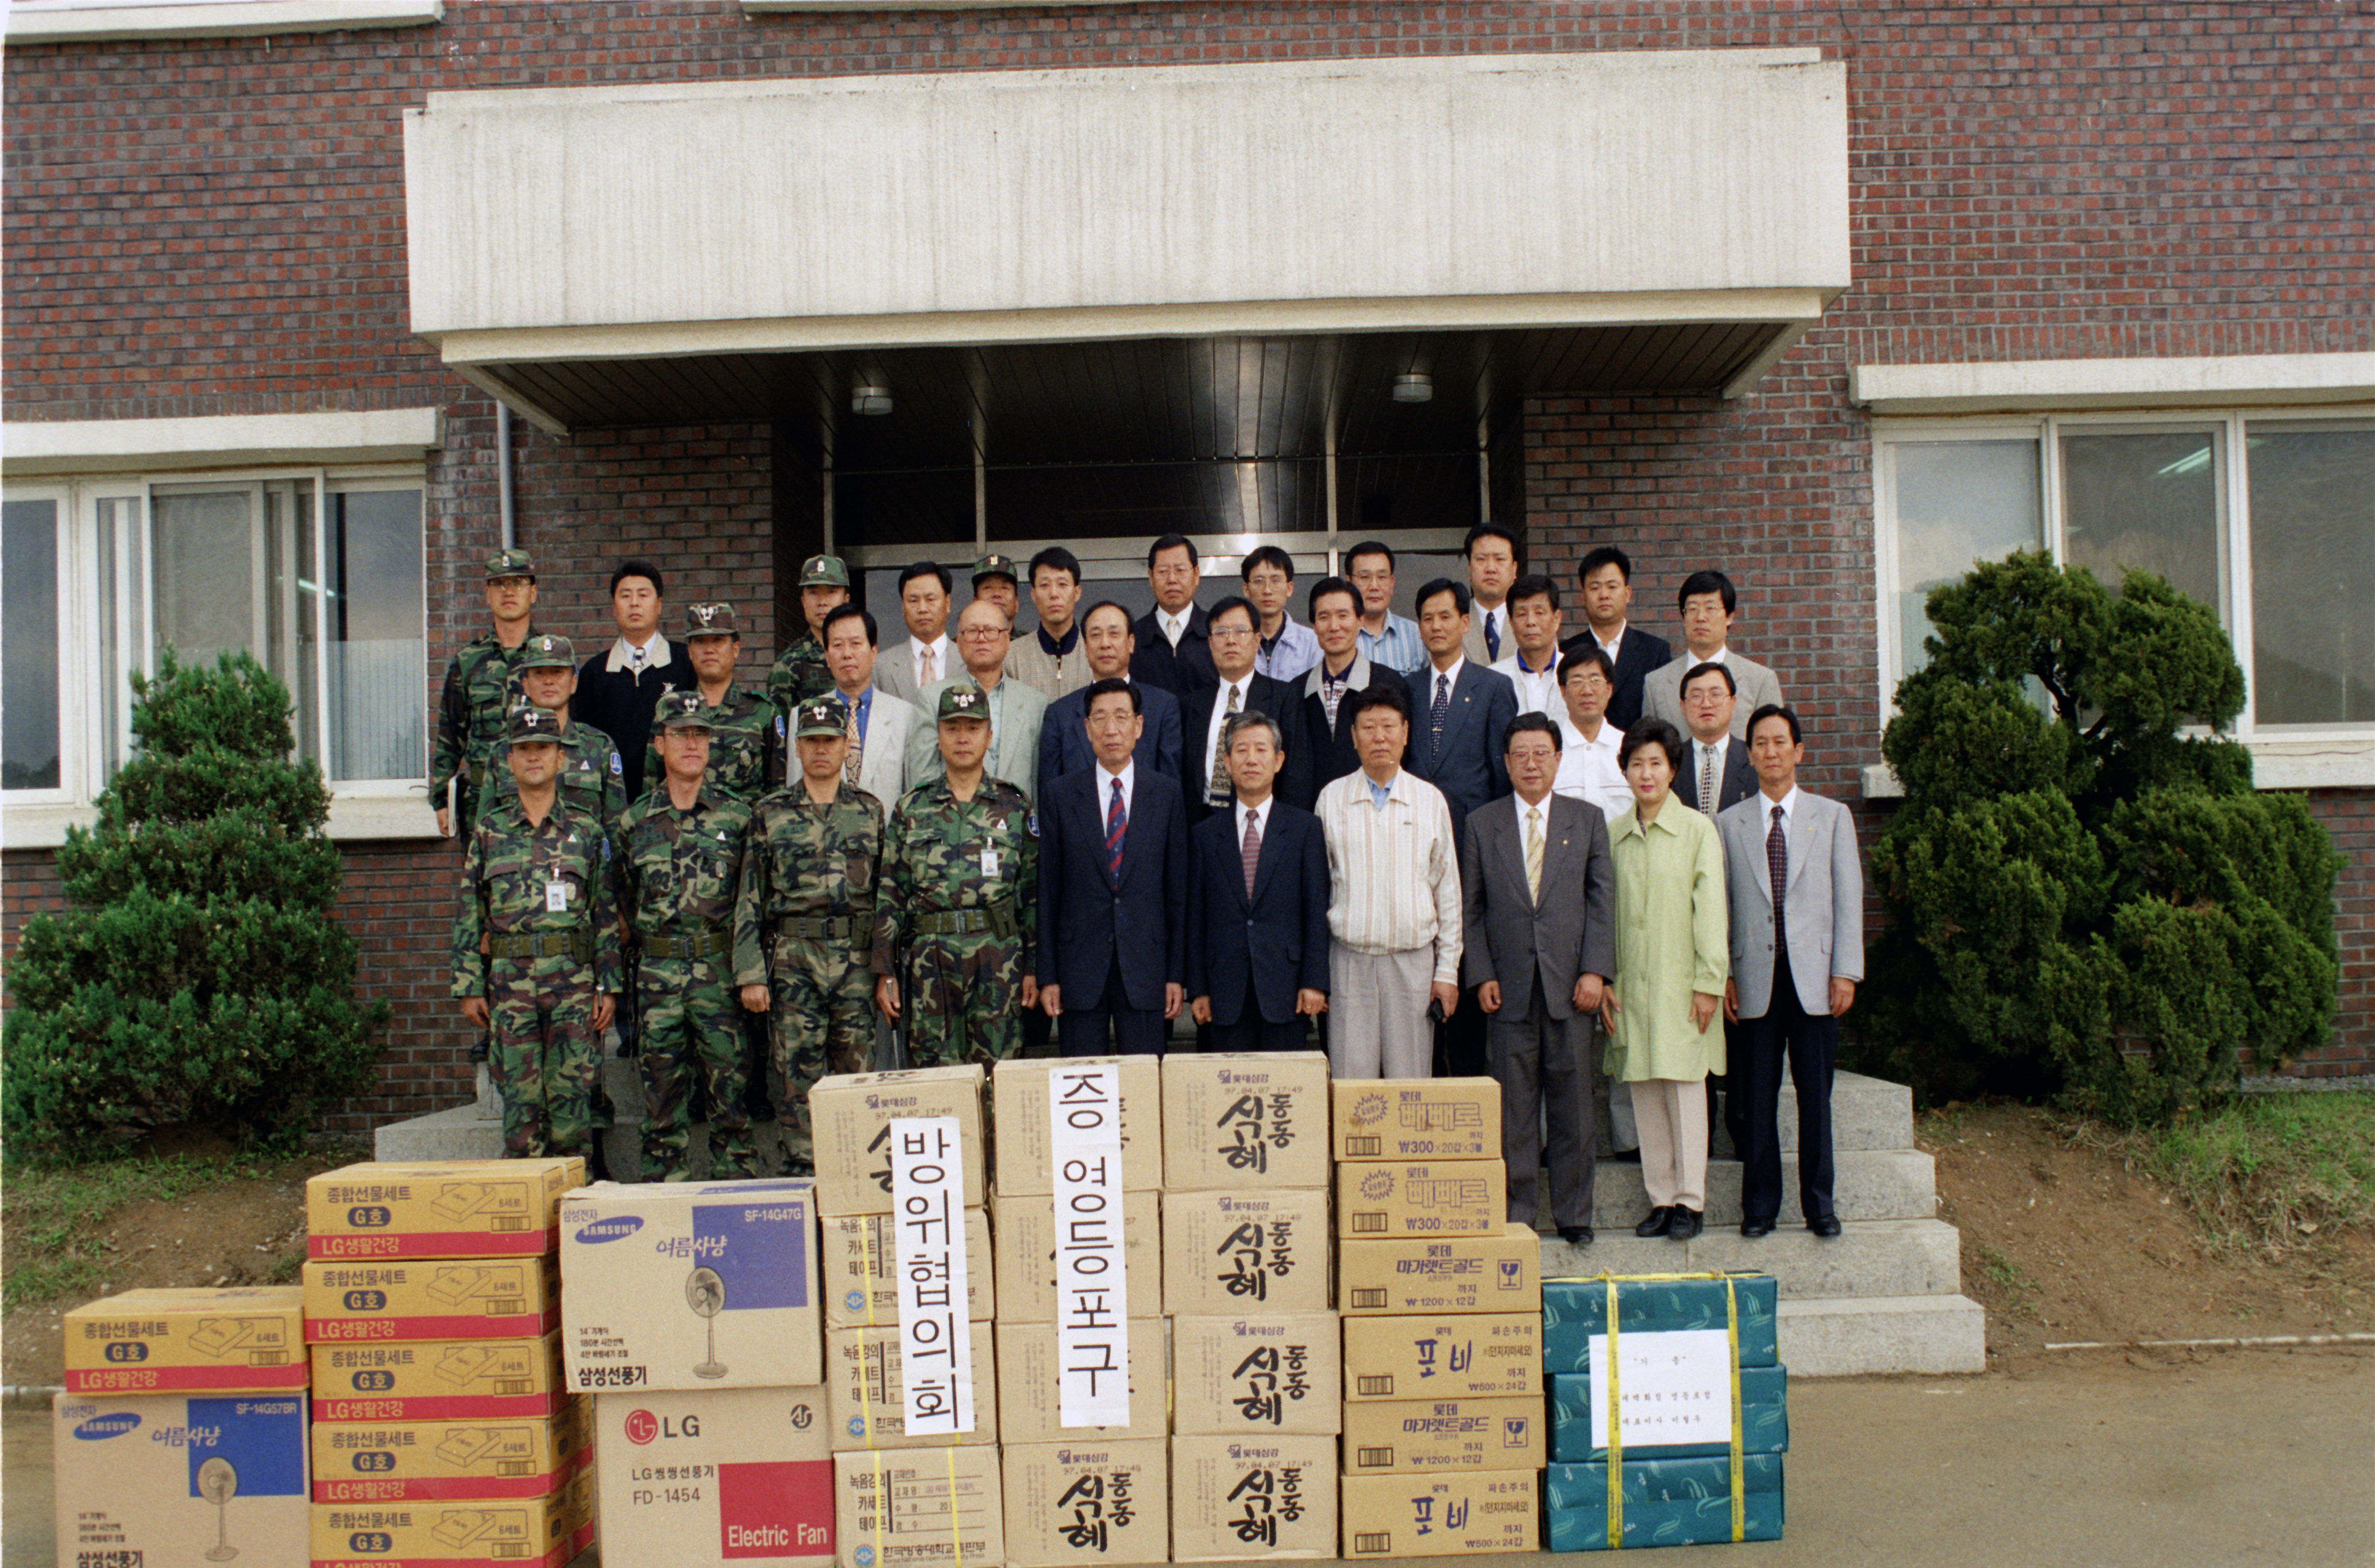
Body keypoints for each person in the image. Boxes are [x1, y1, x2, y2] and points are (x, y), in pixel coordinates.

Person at [1462, 713, 1615, 1246]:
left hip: (1571, 987)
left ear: (1557, 759)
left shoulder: (1587, 820)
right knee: (1513, 1111)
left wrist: (1596, 970)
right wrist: (1479, 973)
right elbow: (1470, 909)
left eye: (1540, 753)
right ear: (1505, 763)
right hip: (1507, 989)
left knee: (1573, 1105)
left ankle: (1575, 1215)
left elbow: (1601, 903)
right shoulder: (1483, 823)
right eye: (1520, 754)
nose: (1530, 763)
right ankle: (1518, 1211)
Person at [451, 705, 622, 1161]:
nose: (534, 758)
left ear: (560, 758)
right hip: (510, 988)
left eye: (543, 748)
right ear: (509, 760)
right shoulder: (489, 832)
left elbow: (603, 914)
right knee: (521, 1114)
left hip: (572, 985)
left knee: (571, 1113)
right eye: (524, 749)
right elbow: (470, 912)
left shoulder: (584, 830)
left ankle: (575, 1219)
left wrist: (609, 984)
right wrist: (469, 985)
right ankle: (526, 1225)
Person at [1719, 706, 1862, 1240]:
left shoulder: (1832, 816)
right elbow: (1724, 908)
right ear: (1750, 754)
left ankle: (1818, 1206)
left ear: (1798, 751)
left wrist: (1845, 970)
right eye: (1760, 743)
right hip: (1754, 978)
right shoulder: (1728, 823)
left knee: (1814, 1098)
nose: (1771, 752)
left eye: (1780, 742)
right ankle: (1759, 1208)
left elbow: (1848, 897)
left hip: (1815, 980)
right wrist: (1725, 975)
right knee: (1755, 1099)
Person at [737, 696, 885, 1175]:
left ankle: (857, 1174)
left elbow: (887, 895)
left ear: (847, 747)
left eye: (830, 740)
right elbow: (751, 896)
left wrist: (886, 969)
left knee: (855, 1072)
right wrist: (751, 974)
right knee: (796, 1074)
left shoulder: (869, 811)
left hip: (856, 959)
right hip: (793, 957)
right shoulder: (770, 813)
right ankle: (802, 1172)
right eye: (811, 741)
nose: (821, 750)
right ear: (797, 748)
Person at [616, 693, 758, 1181]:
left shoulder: (737, 819)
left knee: (730, 1097)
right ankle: (665, 1201)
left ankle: (736, 1195)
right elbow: (622, 902)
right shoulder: (635, 823)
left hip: (719, 973)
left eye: (700, 734)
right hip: (657, 977)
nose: (692, 743)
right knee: (661, 1102)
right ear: (659, 744)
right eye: (680, 733)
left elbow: (749, 904)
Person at [1601, 719, 1728, 1243]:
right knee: (1645, 1092)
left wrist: (1708, 982)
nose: (1645, 773)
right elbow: (1602, 913)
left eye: (1655, 763)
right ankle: (1660, 1197)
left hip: (1682, 985)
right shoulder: (1614, 836)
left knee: (1683, 1088)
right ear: (1625, 771)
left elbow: (1711, 912)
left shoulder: (1697, 831)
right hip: (1632, 986)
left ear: (1673, 770)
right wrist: (1605, 978)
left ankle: (1690, 1200)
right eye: (1636, 764)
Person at [875, 682, 1040, 1067]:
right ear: (938, 737)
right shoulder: (912, 808)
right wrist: (885, 971)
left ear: (989, 736)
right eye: (952, 729)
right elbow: (890, 895)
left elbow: (1031, 895)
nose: (962, 738)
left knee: (1000, 1075)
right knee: (936, 1076)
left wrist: (1034, 969)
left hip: (999, 961)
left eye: (972, 728)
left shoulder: (1014, 806)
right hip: (931, 961)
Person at [1038, 678, 1191, 1056]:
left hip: (1146, 967)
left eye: (1121, 717)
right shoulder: (1059, 794)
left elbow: (1177, 892)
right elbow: (1047, 891)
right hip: (1079, 970)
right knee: (1082, 1087)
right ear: (1086, 728)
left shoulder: (1166, 794)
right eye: (1100, 718)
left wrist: (1176, 974)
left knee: (1142, 1087)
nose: (1111, 729)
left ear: (1139, 726)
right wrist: (1049, 976)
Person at [1317, 684, 1461, 1079]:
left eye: (1388, 726)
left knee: (1410, 1083)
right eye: (1368, 727)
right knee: (1350, 1082)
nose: (1379, 737)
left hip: (1412, 962)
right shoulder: (1331, 799)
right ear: (1353, 736)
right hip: (1350, 960)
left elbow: (1447, 893)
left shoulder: (1429, 800)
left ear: (1405, 733)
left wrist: (1446, 973)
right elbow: (1319, 889)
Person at [1187, 710, 1331, 1052]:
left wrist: (1314, 981)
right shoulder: (1205, 835)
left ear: (1279, 760)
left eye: (1261, 750)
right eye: (1241, 750)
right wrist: (1199, 989)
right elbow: (1196, 918)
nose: (1251, 759)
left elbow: (1315, 909)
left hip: (1287, 988)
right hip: (1223, 992)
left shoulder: (1304, 829)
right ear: (1226, 761)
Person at [431, 548, 539, 838]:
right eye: (499, 584)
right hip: (483, 803)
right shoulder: (467, 662)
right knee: (483, 882)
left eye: (518, 583)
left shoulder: (551, 660)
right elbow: (450, 735)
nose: (508, 591)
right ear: (488, 594)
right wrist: (441, 798)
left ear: (533, 593)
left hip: (540, 798)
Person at [478, 635, 625, 839]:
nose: (548, 681)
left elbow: (616, 833)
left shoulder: (600, 748)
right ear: (526, 685)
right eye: (539, 673)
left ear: (574, 683)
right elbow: (485, 834)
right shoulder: (504, 751)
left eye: (557, 672)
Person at [1404, 579, 1518, 841]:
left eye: (1445, 617)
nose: (1436, 626)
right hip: (1414, 828)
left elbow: (1502, 772)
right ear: (1420, 628)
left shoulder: (1494, 687)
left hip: (1473, 829)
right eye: (1428, 619)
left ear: (1465, 623)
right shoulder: (1408, 688)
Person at [1036, 600, 1184, 797]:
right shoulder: (1059, 714)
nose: (1105, 644)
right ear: (1086, 646)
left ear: (1131, 643)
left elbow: (1171, 793)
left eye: (1114, 634)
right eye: (1096, 635)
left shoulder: (1163, 707)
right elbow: (1050, 795)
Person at [907, 598, 1049, 804]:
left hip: (1015, 826)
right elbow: (922, 777)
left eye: (991, 630)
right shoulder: (932, 698)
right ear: (959, 640)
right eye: (972, 631)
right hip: (951, 825)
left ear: (1007, 638)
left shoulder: (1035, 703)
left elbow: (1037, 783)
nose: (982, 639)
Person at [1181, 595, 1308, 821]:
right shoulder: (1192, 704)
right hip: (1202, 826)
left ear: (1257, 639)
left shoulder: (1285, 697)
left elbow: (1296, 776)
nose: (1231, 641)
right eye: (1221, 633)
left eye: (1241, 631)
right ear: (1210, 643)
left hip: (1263, 823)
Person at [1292, 576, 1410, 809]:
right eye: (1324, 617)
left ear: (1360, 621)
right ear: (1314, 626)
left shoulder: (1389, 684)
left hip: (1376, 813)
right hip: (1313, 819)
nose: (1334, 626)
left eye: (1343, 615)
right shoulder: (1296, 691)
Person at [643, 603, 778, 804]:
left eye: (718, 640)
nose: (709, 649)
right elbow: (652, 791)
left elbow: (778, 793)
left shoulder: (763, 712)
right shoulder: (670, 712)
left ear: (736, 649)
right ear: (690, 651)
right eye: (700, 641)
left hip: (745, 831)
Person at [573, 559, 675, 802]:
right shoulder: (594, 673)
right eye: (625, 596)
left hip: (672, 804)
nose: (635, 603)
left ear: (659, 604)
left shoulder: (684, 663)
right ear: (614, 607)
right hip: (612, 804)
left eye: (643, 594)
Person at [1642, 569, 1783, 739]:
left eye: (1710, 608)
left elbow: (1775, 746)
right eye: (1693, 609)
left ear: (1729, 617)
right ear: (1683, 618)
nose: (1701, 617)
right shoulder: (1656, 684)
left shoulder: (1761, 681)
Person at [822, 604, 919, 817]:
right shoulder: (803, 715)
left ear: (874, 652)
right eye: (837, 645)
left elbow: (914, 795)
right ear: (827, 657)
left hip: (886, 843)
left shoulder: (905, 716)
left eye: (856, 644)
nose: (847, 654)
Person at [1559, 546, 1670, 733]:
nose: (1604, 595)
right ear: (1583, 596)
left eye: (1612, 587)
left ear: (1627, 593)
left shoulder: (1655, 651)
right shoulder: (1565, 652)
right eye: (1595, 587)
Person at [1132, 532, 1218, 699]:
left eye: (1180, 570)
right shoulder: (1133, 636)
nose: (1172, 579)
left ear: (1196, 575)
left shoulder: (1217, 631)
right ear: (1151, 577)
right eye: (1163, 571)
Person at [765, 553, 852, 716]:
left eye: (831, 592)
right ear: (803, 601)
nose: (822, 601)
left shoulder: (861, 654)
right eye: (814, 593)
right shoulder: (789, 665)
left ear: (846, 600)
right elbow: (781, 735)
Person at [1551, 647, 1632, 822]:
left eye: (1595, 680)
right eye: (1577, 681)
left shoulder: (1629, 747)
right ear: (1563, 691)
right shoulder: (1549, 751)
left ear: (1609, 689)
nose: (1587, 690)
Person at [1004, 546, 1090, 702]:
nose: (1054, 594)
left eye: (1062, 585)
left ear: (1077, 593)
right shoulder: (1012, 657)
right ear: (1033, 595)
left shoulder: (1095, 650)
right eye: (1045, 585)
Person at [1671, 663, 1757, 817]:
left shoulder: (1754, 759)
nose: (1706, 704)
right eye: (1697, 696)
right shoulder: (1670, 760)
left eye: (1716, 695)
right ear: (1683, 706)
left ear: (1733, 702)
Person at [874, 561, 955, 705]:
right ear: (903, 607)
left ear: (947, 603)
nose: (922, 608)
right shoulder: (881, 666)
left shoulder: (968, 661)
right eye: (913, 600)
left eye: (930, 599)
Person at [1489, 573, 1566, 718]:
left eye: (1539, 612)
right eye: (1522, 614)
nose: (1531, 621)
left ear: (1556, 619)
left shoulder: (1575, 675)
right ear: (1511, 622)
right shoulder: (1492, 678)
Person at [1345, 539, 1426, 675]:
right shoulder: (1338, 636)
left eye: (1382, 577)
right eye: (1365, 577)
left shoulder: (1418, 636)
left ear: (1392, 583)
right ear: (1349, 584)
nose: (1374, 586)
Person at [1243, 546, 1320, 683]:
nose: (1267, 590)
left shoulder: (1313, 644)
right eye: (1259, 581)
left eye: (1275, 580)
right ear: (1246, 589)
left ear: (1290, 588)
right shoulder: (1235, 641)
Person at [1459, 522, 1520, 668]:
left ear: (1514, 569)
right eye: (1481, 559)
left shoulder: (1532, 622)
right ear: (1469, 568)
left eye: (1500, 559)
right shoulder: (1454, 622)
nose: (1491, 568)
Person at [970, 551, 1023, 627]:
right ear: (975, 603)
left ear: (1016, 604)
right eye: (988, 588)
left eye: (1005, 588)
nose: (997, 594)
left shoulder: (1032, 639)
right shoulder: (962, 638)